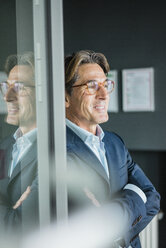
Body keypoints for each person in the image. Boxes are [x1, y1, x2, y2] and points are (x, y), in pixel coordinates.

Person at [65, 50, 160, 248]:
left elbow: (151, 198)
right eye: (91, 86)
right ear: (66, 97)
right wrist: (133, 199)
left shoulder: (115, 142)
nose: (104, 94)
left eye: (105, 84)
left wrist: (116, 235)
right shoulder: (56, 151)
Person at [0, 52, 38, 236]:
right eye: (6, 87)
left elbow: (23, 226)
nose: (7, 97)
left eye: (20, 87)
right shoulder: (5, 146)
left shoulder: (60, 149)